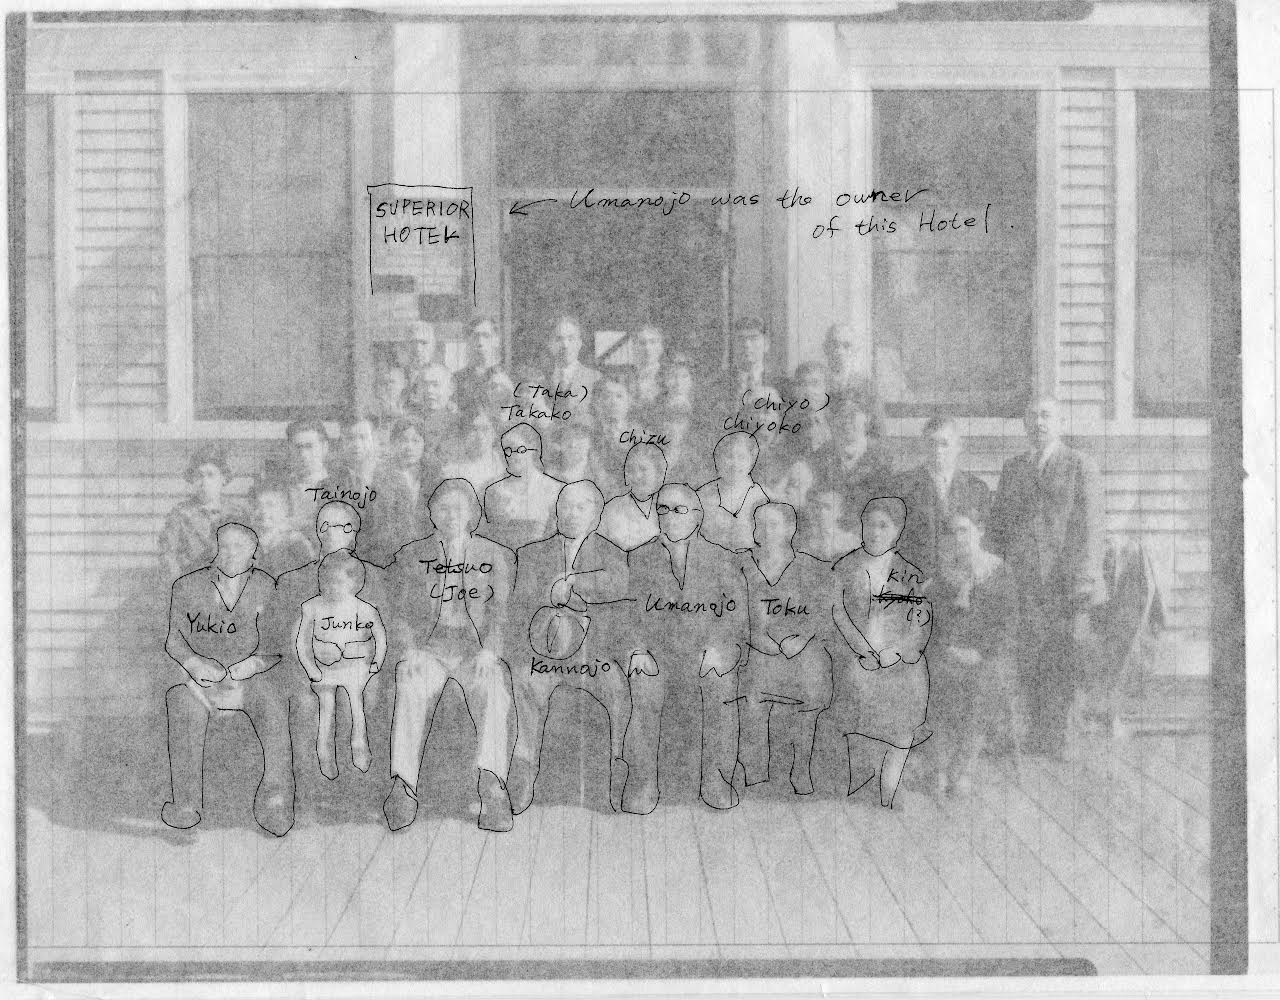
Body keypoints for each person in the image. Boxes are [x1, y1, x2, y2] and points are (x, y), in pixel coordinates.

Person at [381, 479, 517, 833]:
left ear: (472, 514)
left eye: (459, 508)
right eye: (443, 508)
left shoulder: (493, 554)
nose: (451, 515)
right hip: (431, 648)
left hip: (475, 651)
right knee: (409, 687)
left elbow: (501, 613)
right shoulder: (413, 555)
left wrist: (490, 651)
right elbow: (399, 613)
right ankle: (403, 786)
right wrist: (408, 649)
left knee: (493, 690)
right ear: (430, 514)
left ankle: (491, 786)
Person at [505, 480, 635, 815]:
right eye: (565, 506)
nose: (571, 514)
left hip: (593, 656)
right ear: (556, 511)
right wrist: (551, 594)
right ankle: (524, 770)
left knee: (617, 689)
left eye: (581, 507)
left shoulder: (613, 554)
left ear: (596, 514)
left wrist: (575, 585)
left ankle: (619, 766)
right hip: (545, 656)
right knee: (523, 682)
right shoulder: (531, 553)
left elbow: (617, 591)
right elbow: (520, 607)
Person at [986, 395, 1106, 756]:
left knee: (1058, 654)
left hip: (1061, 581)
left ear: (1060, 422)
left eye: (1046, 416)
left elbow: (1091, 527)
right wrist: (990, 565)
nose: (1039, 422)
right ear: (1024, 424)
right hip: (1021, 578)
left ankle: (1056, 735)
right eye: (1032, 416)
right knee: (1026, 653)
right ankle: (1028, 731)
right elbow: (999, 524)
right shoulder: (1013, 468)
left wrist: (1085, 576)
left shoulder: (1079, 465)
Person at [161, 522, 291, 835]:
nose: (231, 553)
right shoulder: (187, 585)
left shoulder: (268, 587)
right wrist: (195, 666)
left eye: (240, 546)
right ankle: (186, 806)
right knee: (183, 704)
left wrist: (251, 666)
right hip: (200, 678)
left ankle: (274, 801)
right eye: (224, 545)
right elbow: (174, 640)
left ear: (254, 552)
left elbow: (277, 643)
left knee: (272, 705)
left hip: (248, 676)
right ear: (214, 549)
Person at [626, 483, 747, 810]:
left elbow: (735, 614)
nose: (668, 516)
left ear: (697, 516)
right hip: (658, 656)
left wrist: (719, 647)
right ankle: (642, 782)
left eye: (678, 510)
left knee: (722, 683)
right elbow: (629, 613)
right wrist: (638, 650)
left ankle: (717, 780)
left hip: (706, 653)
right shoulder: (638, 558)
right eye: (662, 509)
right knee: (641, 684)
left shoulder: (722, 558)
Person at [830, 497, 933, 810]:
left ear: (897, 531)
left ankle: (891, 779)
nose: (874, 532)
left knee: (913, 683)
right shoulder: (845, 567)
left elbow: (919, 624)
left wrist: (898, 651)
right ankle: (864, 775)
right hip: (856, 654)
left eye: (883, 526)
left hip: (896, 658)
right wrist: (864, 650)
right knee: (858, 684)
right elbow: (837, 614)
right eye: (868, 524)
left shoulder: (910, 574)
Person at [736, 502, 835, 796]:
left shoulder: (809, 566)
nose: (766, 530)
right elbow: (733, 608)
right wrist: (758, 640)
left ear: (790, 529)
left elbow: (822, 611)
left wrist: (801, 638)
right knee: (753, 692)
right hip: (754, 645)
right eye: (760, 523)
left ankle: (800, 766)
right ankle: (756, 771)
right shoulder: (741, 563)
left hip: (798, 648)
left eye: (774, 524)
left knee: (811, 681)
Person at [927, 510, 1020, 797]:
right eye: (952, 532)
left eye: (964, 530)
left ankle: (964, 767)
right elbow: (935, 621)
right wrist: (950, 648)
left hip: (989, 656)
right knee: (937, 677)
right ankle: (940, 768)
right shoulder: (944, 575)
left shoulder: (998, 571)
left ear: (979, 531)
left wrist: (979, 653)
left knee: (982, 683)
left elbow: (1007, 625)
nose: (958, 538)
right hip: (951, 652)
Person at [295, 549, 387, 778]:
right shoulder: (312, 607)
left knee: (356, 705)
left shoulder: (364, 609)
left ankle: (359, 749)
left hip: (355, 669)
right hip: (324, 670)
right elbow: (301, 642)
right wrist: (311, 669)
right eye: (326, 581)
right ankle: (324, 755)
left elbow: (380, 637)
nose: (331, 587)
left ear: (354, 582)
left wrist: (376, 662)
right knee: (326, 709)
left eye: (338, 581)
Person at [895, 416, 992, 580]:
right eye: (931, 443)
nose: (937, 450)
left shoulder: (977, 488)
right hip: (916, 583)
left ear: (959, 446)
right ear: (923, 445)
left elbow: (986, 542)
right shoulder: (903, 486)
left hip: (964, 585)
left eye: (944, 444)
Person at [159, 447, 244, 581]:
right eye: (199, 476)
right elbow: (169, 556)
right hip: (192, 587)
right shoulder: (180, 515)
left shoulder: (238, 513)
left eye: (211, 475)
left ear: (223, 478)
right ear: (192, 479)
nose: (204, 482)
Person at [480, 422, 565, 551]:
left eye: (517, 449)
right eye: (506, 451)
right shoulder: (493, 491)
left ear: (533, 450)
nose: (510, 456)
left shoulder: (557, 489)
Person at [364, 417, 431, 565]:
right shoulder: (381, 477)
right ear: (393, 443)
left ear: (424, 444)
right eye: (403, 440)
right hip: (393, 553)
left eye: (415, 441)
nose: (409, 447)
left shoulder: (431, 475)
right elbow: (379, 524)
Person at [696, 432, 771, 552]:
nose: (735, 464)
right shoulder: (702, 494)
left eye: (741, 457)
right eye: (729, 456)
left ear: (752, 461)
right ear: (718, 459)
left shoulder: (760, 498)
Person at [598, 443, 667, 552]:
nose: (637, 476)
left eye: (643, 469)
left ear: (658, 473)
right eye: (631, 470)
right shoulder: (611, 508)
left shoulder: (669, 506)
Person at [279, 419, 337, 537]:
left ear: (324, 447)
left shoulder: (340, 487)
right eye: (298, 447)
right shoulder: (279, 489)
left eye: (309, 447)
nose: (303, 455)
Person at [250, 480, 316, 577]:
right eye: (257, 506)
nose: (263, 511)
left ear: (285, 509)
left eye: (270, 505)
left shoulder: (296, 542)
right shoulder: (248, 541)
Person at [441, 405, 507, 498]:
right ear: (465, 433)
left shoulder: (503, 464)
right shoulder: (452, 468)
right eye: (474, 429)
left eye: (485, 429)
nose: (480, 436)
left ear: (495, 433)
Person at [454, 315, 514, 406]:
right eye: (475, 336)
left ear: (496, 341)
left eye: (486, 336)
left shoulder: (509, 375)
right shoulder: (457, 379)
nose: (480, 342)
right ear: (467, 340)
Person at [795, 489, 859, 562]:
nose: (820, 511)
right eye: (818, 506)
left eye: (827, 507)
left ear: (840, 512)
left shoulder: (850, 542)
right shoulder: (806, 540)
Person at [544, 315, 600, 394]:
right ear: (549, 344)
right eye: (558, 339)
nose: (565, 345)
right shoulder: (540, 379)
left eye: (571, 339)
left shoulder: (596, 378)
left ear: (579, 343)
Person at [628, 324, 666, 408]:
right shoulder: (626, 377)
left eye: (653, 342)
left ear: (661, 347)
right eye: (642, 343)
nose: (647, 348)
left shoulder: (669, 375)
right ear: (634, 347)